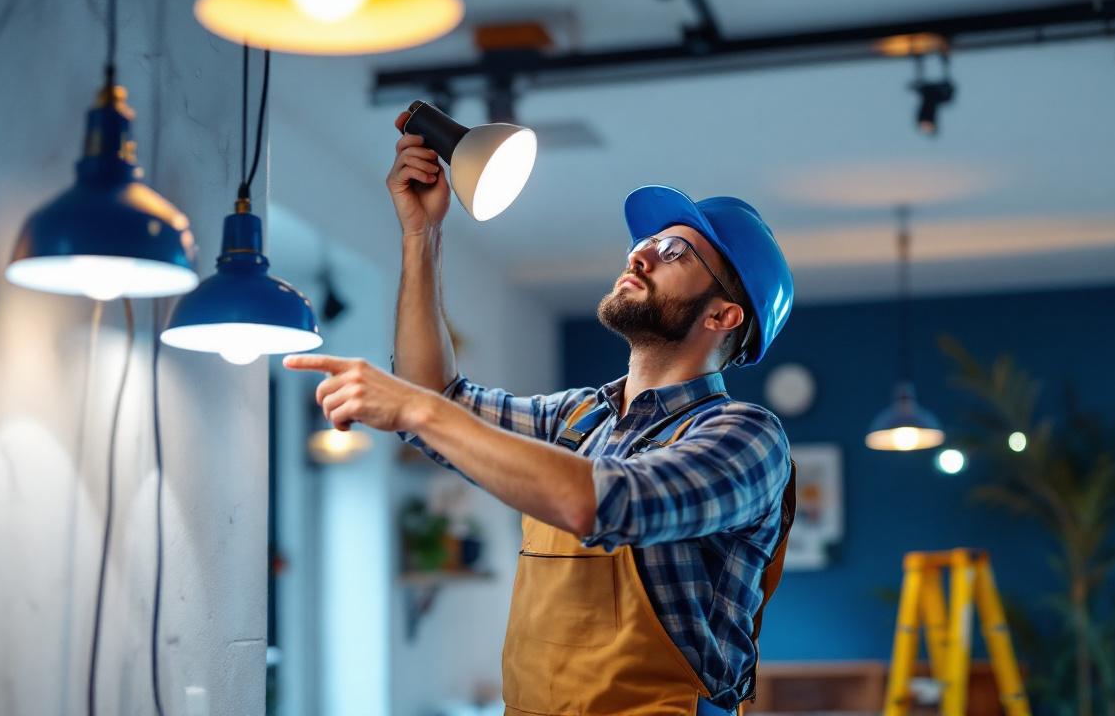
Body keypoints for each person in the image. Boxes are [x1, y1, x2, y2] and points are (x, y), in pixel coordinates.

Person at [284, 111, 796, 715]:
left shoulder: (746, 436)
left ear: (722, 316)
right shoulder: (580, 419)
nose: (639, 256)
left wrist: (418, 410)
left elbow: (604, 502)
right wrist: (422, 237)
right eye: (644, 244)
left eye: (673, 252)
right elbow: (440, 400)